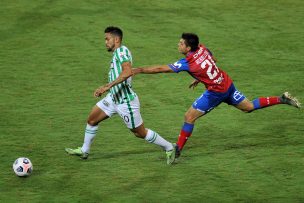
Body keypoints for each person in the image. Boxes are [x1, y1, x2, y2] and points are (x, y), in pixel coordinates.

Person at [132, 32, 301, 158]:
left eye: (181, 43)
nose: (178, 45)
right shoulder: (203, 48)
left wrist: (139, 70)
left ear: (188, 48)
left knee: (189, 117)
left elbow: (162, 69)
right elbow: (212, 58)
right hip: (226, 83)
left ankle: (177, 150)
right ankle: (281, 99)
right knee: (248, 107)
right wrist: (201, 77)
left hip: (216, 92)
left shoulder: (187, 63)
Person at [65, 26, 176, 165]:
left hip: (125, 102)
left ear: (116, 39)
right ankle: (84, 150)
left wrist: (107, 86)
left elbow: (127, 71)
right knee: (92, 120)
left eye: (107, 39)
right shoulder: (117, 53)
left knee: (139, 133)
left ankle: (169, 147)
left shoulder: (121, 51)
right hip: (113, 98)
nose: (105, 42)